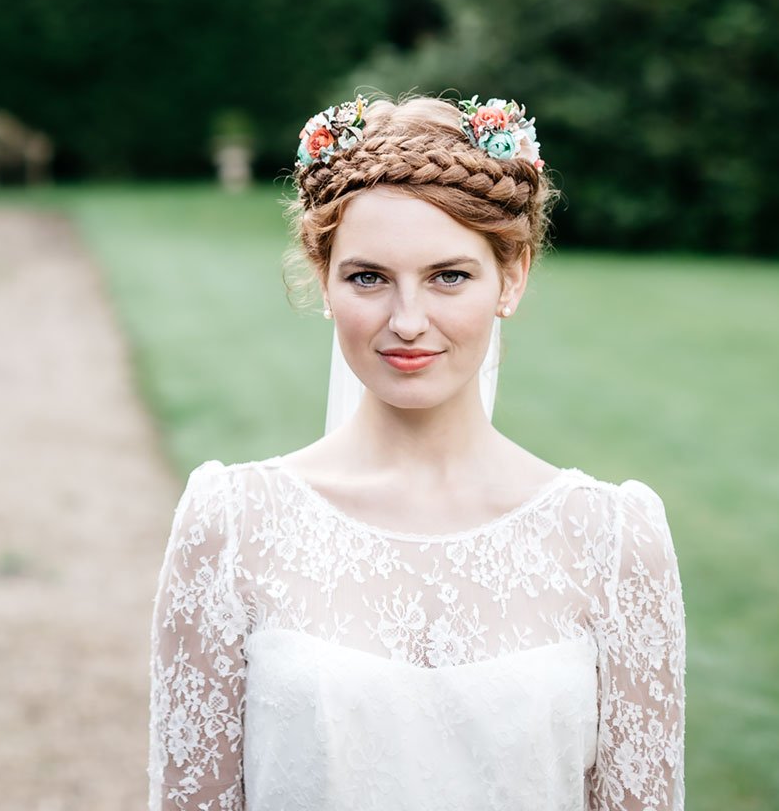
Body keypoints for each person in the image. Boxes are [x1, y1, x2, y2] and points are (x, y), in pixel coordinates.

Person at [148, 94, 684, 811]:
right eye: (368, 277)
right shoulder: (232, 526)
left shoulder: (615, 541)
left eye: (449, 276)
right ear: (325, 278)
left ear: (513, 278)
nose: (407, 322)